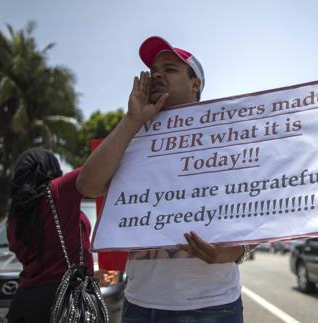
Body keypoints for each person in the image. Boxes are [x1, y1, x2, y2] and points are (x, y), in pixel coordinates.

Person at [77, 36, 249, 323]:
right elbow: (87, 185)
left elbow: (257, 205)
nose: (157, 75)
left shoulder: (226, 135)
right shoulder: (132, 135)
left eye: (169, 69)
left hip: (213, 305)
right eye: (154, 71)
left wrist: (236, 251)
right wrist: (132, 120)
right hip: (142, 304)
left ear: (196, 84)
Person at [6, 148, 94, 322]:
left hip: (23, 303)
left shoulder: (16, 214)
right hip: (63, 301)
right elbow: (97, 167)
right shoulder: (58, 191)